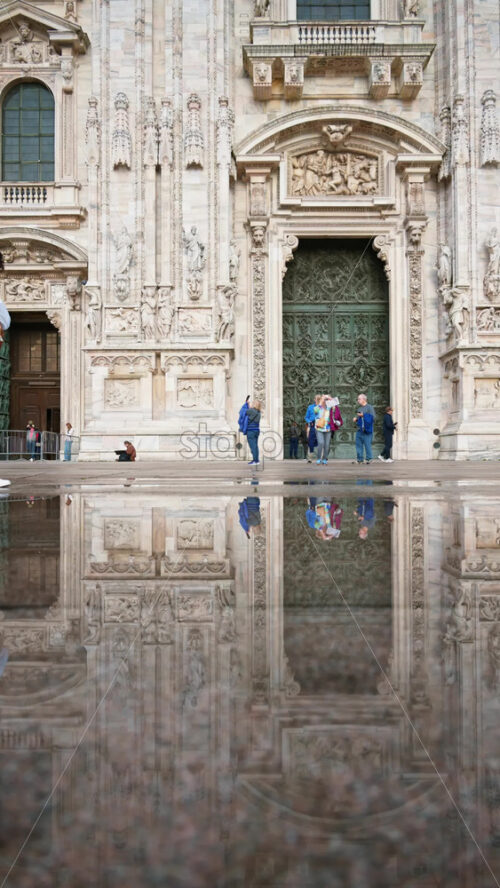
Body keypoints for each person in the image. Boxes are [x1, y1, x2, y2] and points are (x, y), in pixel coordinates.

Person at [353, 393, 375, 465]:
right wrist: (356, 419)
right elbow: (360, 419)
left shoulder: (369, 407)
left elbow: (373, 417)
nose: (358, 400)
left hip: (367, 430)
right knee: (358, 444)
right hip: (360, 429)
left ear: (364, 399)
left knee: (367, 444)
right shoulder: (359, 408)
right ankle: (360, 459)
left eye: (359, 399)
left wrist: (364, 415)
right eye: (358, 399)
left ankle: (369, 459)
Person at [314, 394, 334, 465]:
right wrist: (321, 400)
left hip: (328, 429)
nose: (324, 401)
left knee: (327, 444)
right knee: (321, 443)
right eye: (323, 400)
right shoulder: (318, 408)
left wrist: (329, 397)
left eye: (325, 400)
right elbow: (315, 411)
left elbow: (335, 403)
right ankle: (319, 458)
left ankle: (325, 458)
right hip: (319, 428)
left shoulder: (329, 408)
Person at [246, 399, 261, 466]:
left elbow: (245, 411)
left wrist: (247, 404)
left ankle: (255, 460)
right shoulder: (258, 412)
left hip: (251, 431)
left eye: (252, 403)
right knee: (255, 446)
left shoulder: (252, 411)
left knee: (252, 446)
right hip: (256, 430)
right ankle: (256, 460)